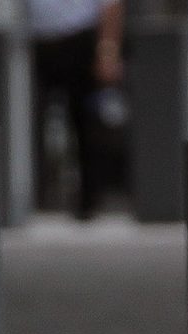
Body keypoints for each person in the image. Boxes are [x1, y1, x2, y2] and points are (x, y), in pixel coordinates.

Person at [27, 0, 124, 219]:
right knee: (32, 123)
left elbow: (111, 5)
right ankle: (35, 196)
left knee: (83, 123)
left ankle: (88, 199)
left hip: (77, 38)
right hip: (38, 42)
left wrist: (108, 50)